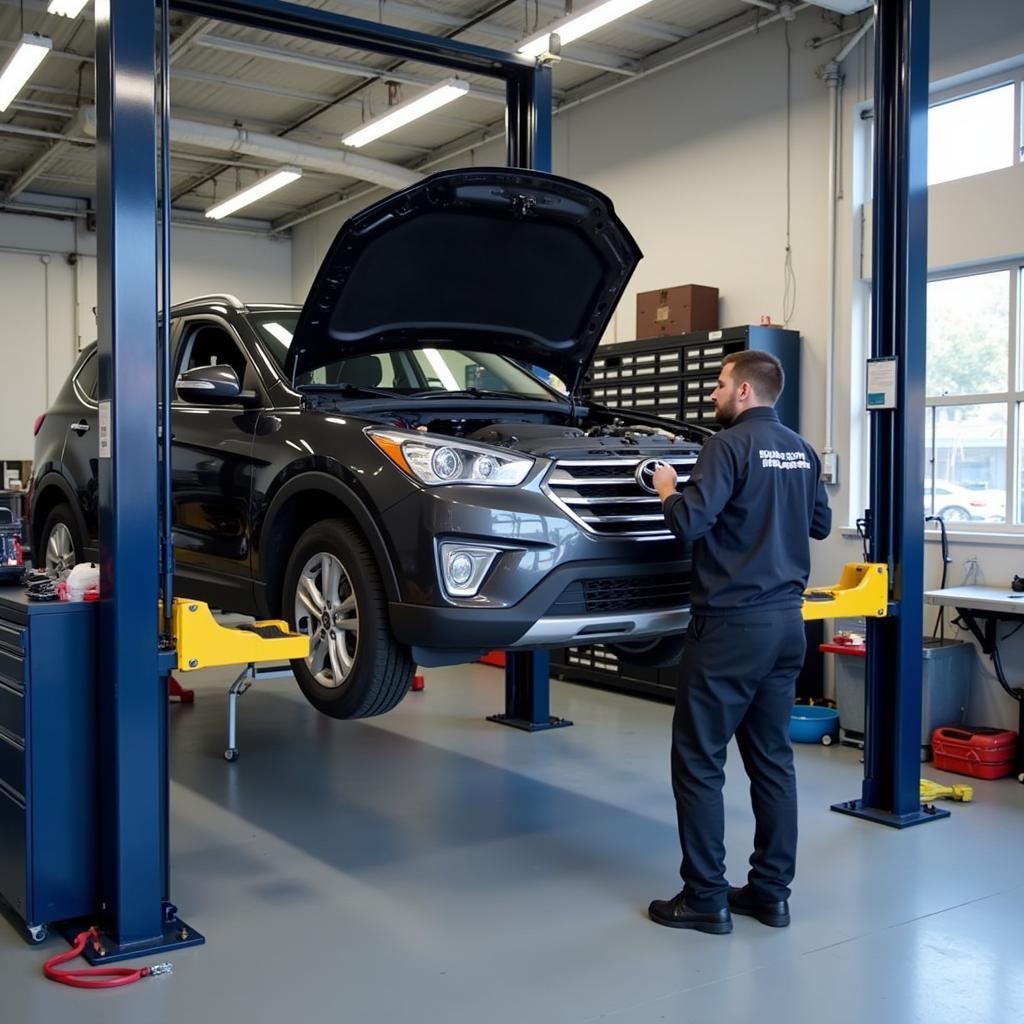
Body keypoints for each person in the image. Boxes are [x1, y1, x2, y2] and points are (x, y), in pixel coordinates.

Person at [647, 349, 831, 935]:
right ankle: (770, 894)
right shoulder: (801, 450)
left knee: (699, 761)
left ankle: (705, 897)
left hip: (729, 626)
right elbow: (820, 524)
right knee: (773, 761)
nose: (712, 395)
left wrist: (668, 488)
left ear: (745, 391)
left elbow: (687, 523)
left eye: (721, 384)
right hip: (785, 626)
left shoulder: (726, 447)